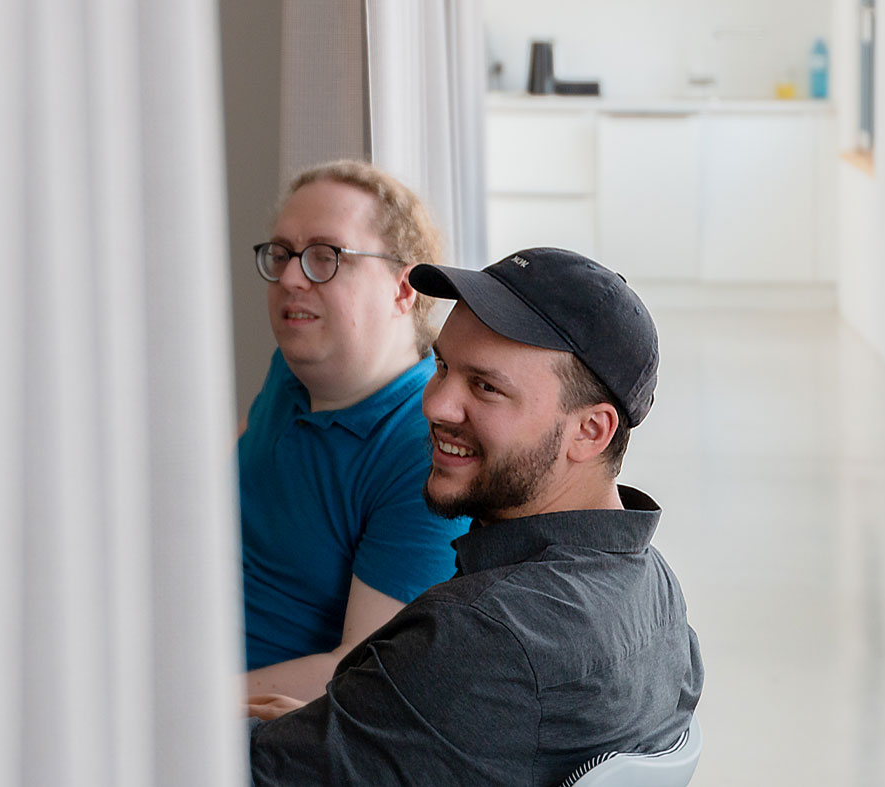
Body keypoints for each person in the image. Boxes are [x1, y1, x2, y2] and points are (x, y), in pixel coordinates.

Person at [248, 247, 705, 786]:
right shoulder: (655, 590)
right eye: (443, 367)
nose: (435, 405)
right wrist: (344, 729)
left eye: (486, 387)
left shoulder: (481, 635)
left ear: (590, 431)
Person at [239, 160, 470, 702]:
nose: (292, 277)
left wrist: (181, 699)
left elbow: (360, 670)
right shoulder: (292, 371)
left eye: (326, 256)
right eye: (282, 254)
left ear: (402, 289)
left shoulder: (426, 452)